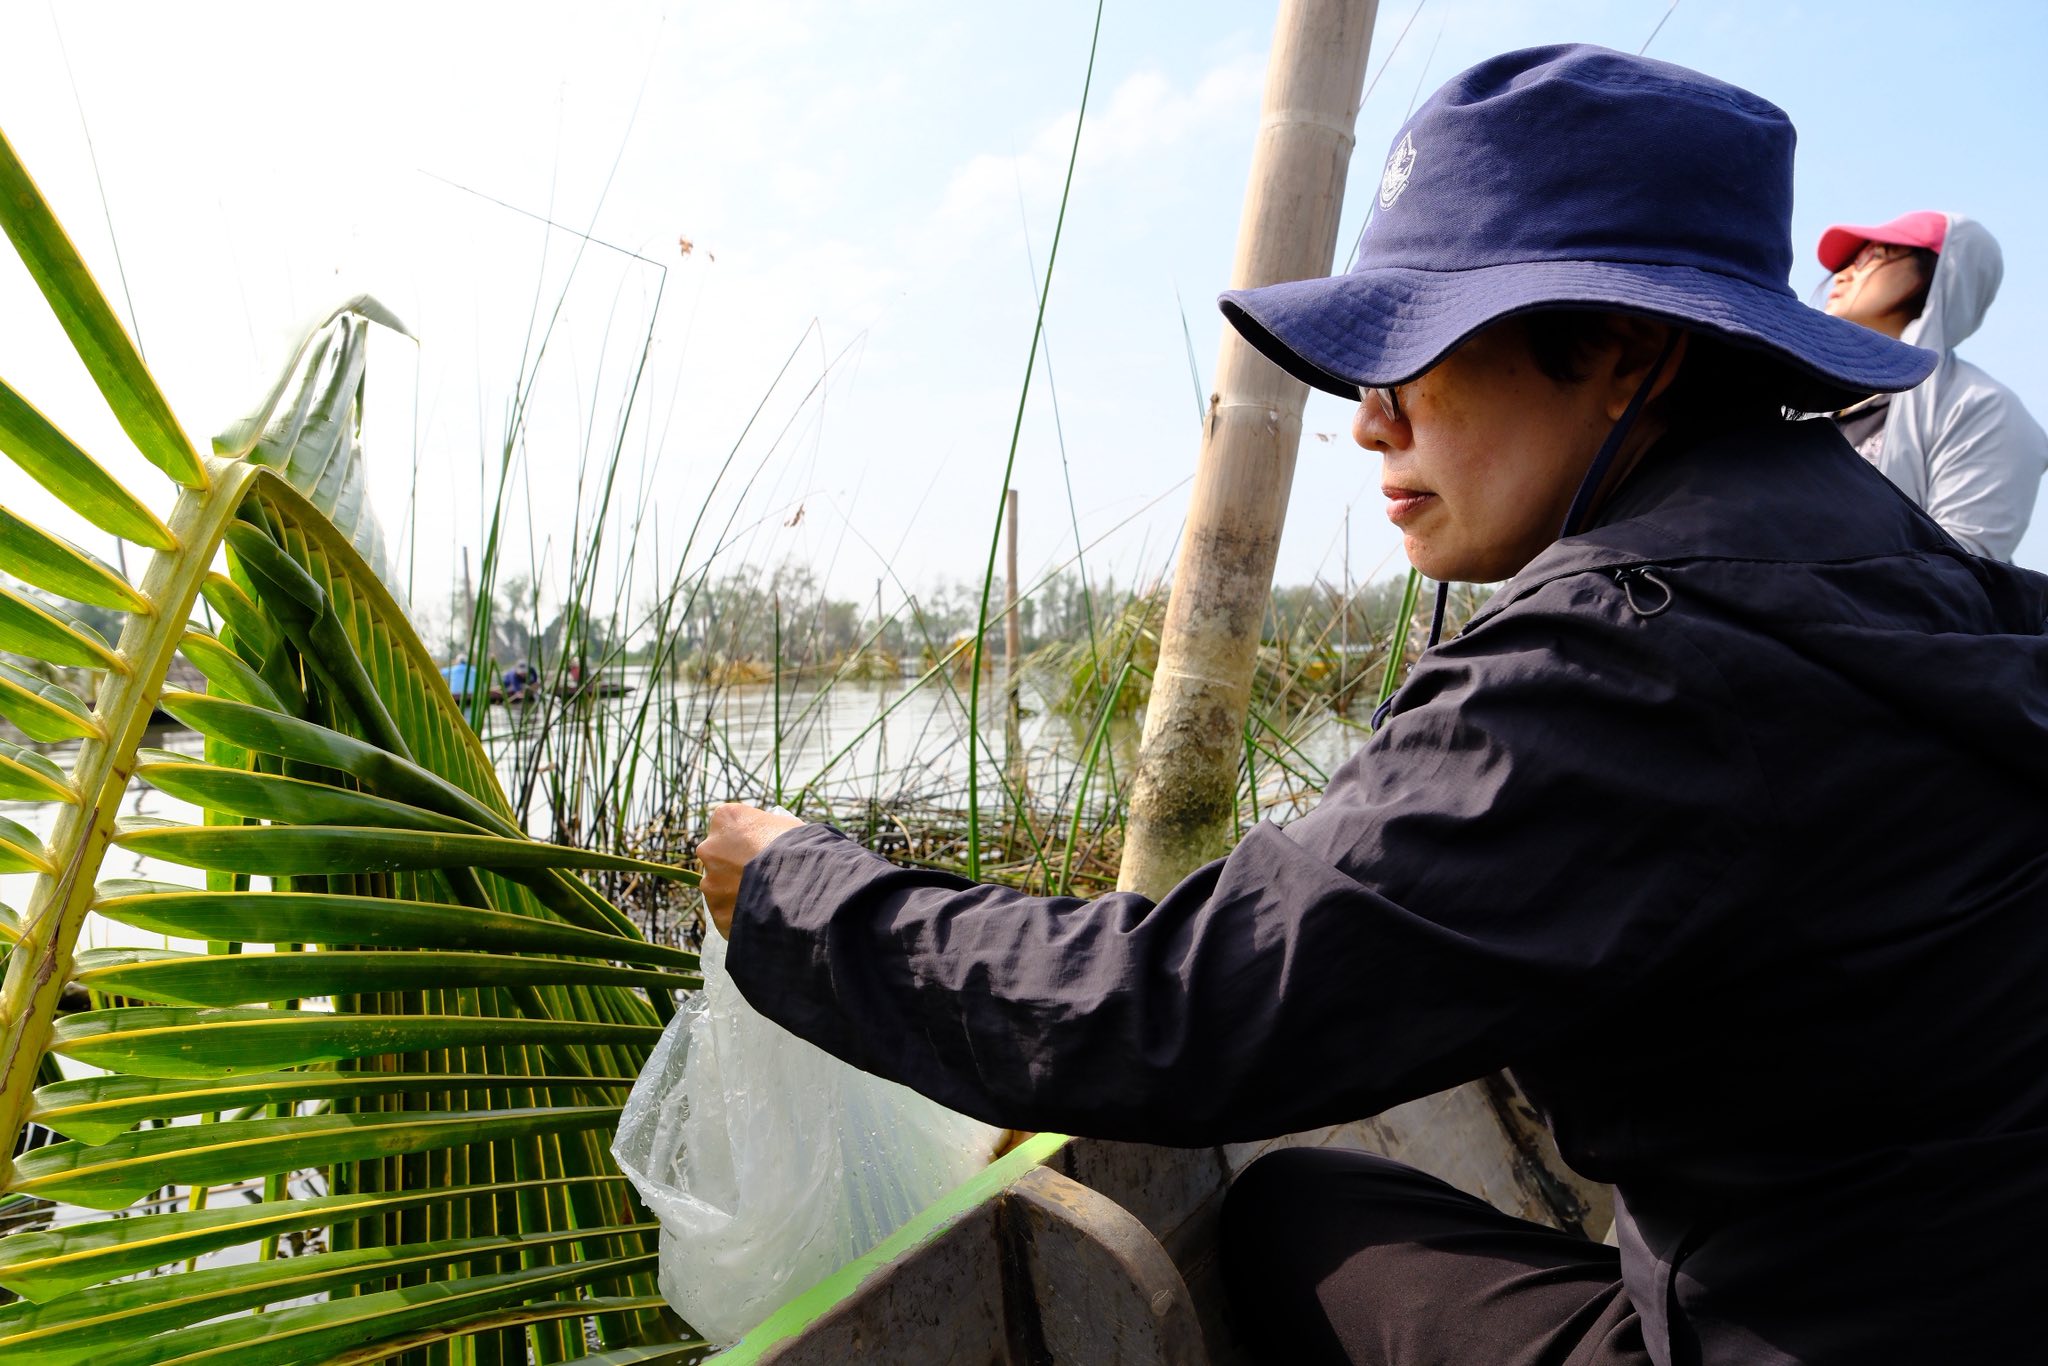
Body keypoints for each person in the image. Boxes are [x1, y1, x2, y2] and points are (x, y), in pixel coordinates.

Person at [697, 46, 2048, 1366]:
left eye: (1413, 347)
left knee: (1283, 1210)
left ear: (1626, 352)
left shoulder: (1624, 655)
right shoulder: (1921, 573)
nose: (1367, 418)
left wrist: (801, 894)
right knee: (1312, 1202)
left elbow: (1178, 1013)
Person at [1819, 210, 2048, 558]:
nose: (1843, 274)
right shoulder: (1805, 397)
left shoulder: (1983, 407)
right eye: (1847, 261)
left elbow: (1964, 564)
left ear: (1946, 272)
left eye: (1873, 255)